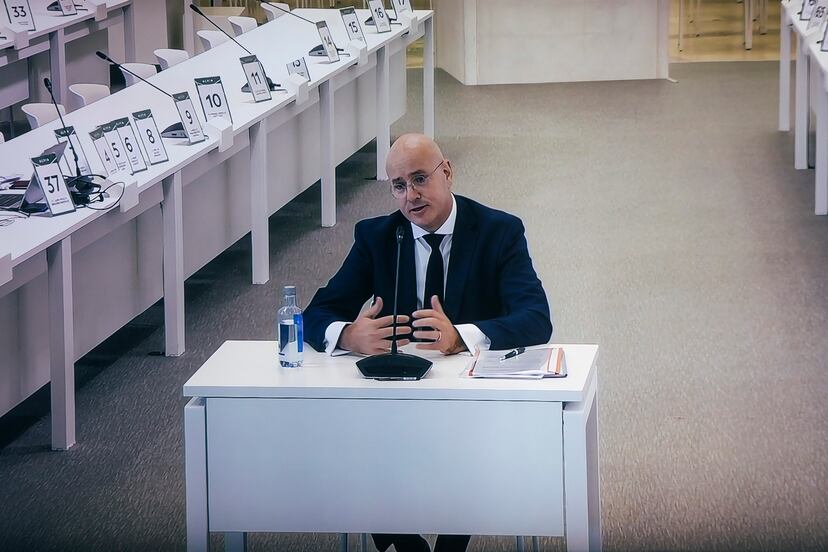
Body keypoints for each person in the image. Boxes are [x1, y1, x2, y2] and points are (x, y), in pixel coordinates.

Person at [303, 133, 552, 552]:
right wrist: (348, 334)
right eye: (399, 186)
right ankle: (406, 542)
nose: (411, 196)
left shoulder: (499, 231)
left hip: (472, 403)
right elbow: (315, 314)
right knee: (359, 444)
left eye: (420, 179)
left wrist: (462, 337)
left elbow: (536, 319)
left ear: (447, 172)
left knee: (463, 454)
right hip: (395, 402)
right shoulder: (377, 237)